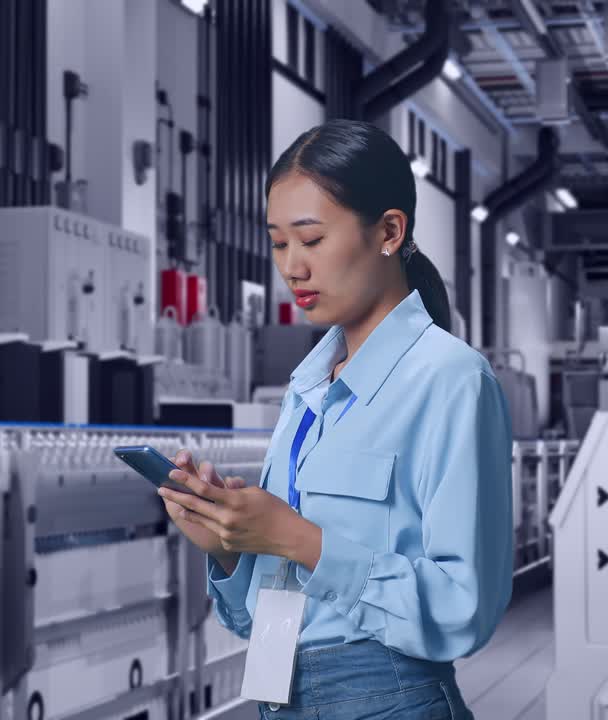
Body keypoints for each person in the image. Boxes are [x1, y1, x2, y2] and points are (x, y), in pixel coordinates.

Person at [157, 119, 514, 719]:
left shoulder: (450, 380)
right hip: (279, 692)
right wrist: (227, 546)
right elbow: (255, 615)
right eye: (277, 243)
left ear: (389, 231)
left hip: (386, 699)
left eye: (312, 239)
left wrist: (294, 537)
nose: (291, 266)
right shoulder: (306, 390)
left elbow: (465, 607)